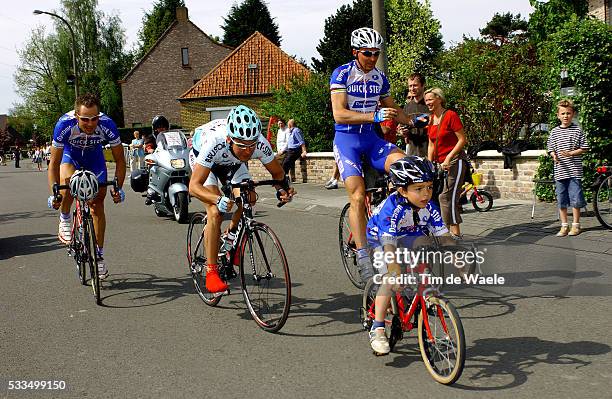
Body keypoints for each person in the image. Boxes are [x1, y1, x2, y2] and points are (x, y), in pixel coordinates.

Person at [330, 27, 427, 282]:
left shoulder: (380, 78)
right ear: (355, 52)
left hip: (371, 139)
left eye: (376, 53)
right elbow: (339, 113)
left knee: (407, 169)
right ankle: (362, 253)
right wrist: (373, 116)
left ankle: (399, 223)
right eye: (367, 53)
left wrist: (417, 121)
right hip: (347, 140)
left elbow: (394, 110)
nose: (372, 58)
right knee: (358, 195)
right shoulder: (342, 74)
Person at [188, 105, 295, 293]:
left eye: (251, 145)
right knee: (215, 211)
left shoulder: (259, 143)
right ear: (230, 139)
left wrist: (282, 190)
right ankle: (211, 273)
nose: (248, 151)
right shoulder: (215, 141)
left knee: (249, 196)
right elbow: (194, 186)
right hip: (205, 161)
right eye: (243, 145)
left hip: (233, 164)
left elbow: (277, 173)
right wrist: (216, 198)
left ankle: (230, 236)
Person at [365, 156, 450, 355]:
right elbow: (388, 245)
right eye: (418, 189)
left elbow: (444, 237)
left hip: (410, 232)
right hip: (381, 237)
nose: (426, 194)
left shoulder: (428, 207)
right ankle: (377, 328)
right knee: (390, 277)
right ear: (402, 190)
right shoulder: (392, 209)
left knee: (424, 264)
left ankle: (420, 299)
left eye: (429, 187)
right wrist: (394, 270)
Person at [47, 93, 126, 279]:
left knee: (97, 205)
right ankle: (65, 217)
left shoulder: (108, 124)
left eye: (94, 119)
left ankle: (98, 256)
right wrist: (55, 192)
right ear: (76, 116)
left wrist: (118, 187)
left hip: (95, 160)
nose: (90, 124)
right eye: (84, 120)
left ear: (99, 116)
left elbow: (120, 161)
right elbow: (54, 164)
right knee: (69, 184)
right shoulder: (63, 124)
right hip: (70, 157)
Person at [425, 87, 468, 240]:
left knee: (446, 197)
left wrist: (449, 158)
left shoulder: (450, 115)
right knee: (440, 198)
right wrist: (429, 164)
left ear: (439, 99)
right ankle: (452, 234)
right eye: (426, 100)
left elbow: (462, 139)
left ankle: (448, 235)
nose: (427, 102)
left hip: (455, 162)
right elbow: (431, 144)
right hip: (439, 164)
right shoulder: (430, 119)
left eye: (430, 99)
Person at [547, 99, 589, 237]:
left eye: (568, 113)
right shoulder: (554, 132)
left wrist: (571, 153)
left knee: (575, 199)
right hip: (560, 171)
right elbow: (550, 148)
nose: (566, 116)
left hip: (574, 171)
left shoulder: (577, 130)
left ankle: (576, 225)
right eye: (563, 113)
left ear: (573, 114)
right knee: (561, 199)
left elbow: (584, 147)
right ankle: (564, 225)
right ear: (558, 115)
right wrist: (554, 155)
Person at [398, 73, 429, 157]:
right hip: (412, 152)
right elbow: (402, 127)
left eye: (415, 85)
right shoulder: (407, 107)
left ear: (423, 85)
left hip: (429, 151)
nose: (412, 88)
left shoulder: (430, 104)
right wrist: (402, 132)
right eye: (410, 86)